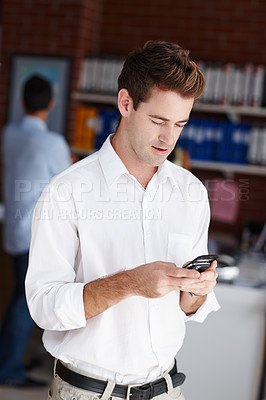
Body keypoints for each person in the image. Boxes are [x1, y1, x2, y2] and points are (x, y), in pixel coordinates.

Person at [25, 41, 220, 400]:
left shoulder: (191, 193)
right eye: (158, 121)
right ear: (126, 103)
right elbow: (45, 308)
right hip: (87, 393)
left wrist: (196, 291)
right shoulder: (67, 192)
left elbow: (188, 307)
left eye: (180, 124)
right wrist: (130, 283)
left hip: (165, 390)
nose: (169, 138)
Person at [0, 74, 71, 387]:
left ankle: (9, 360)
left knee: (20, 296)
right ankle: (8, 368)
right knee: (25, 301)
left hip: (13, 228)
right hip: (34, 234)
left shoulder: (8, 134)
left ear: (21, 101)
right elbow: (68, 180)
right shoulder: (52, 142)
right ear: (51, 104)